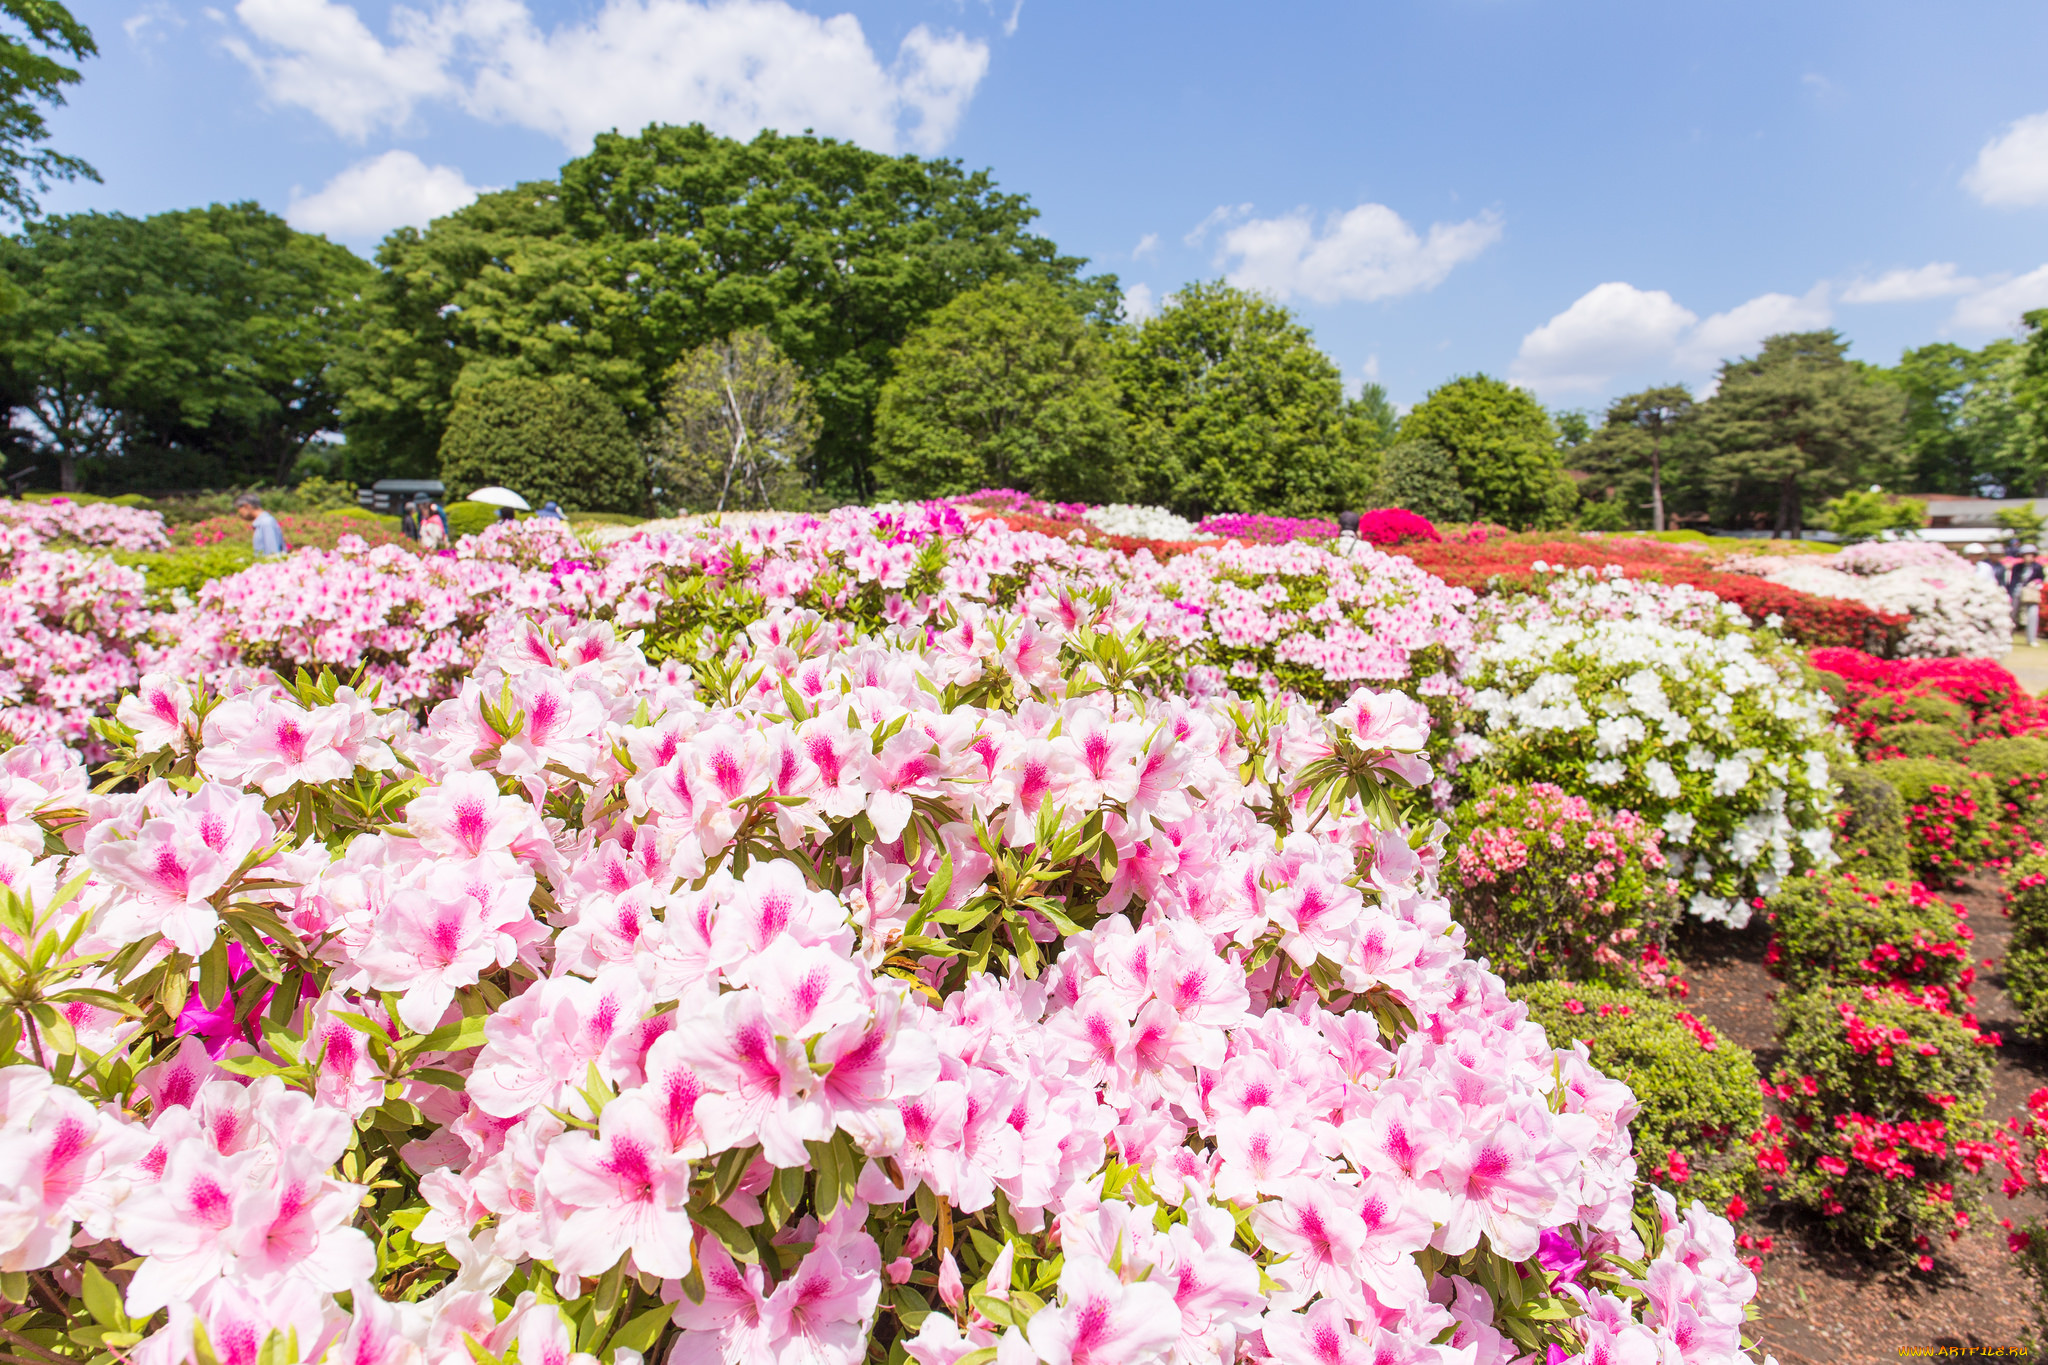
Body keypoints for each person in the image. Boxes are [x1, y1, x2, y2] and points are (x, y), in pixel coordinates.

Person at [2014, 544, 2046, 647]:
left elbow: (2041, 578)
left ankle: (2031, 639)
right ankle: (2008, 636)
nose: (2028, 557)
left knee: (2033, 614)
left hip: (2031, 593)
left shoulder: (2037, 567)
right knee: (2012, 615)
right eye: (2026, 555)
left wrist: (2035, 582)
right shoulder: (2017, 567)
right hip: (2018, 592)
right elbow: (2013, 581)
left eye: (2030, 554)